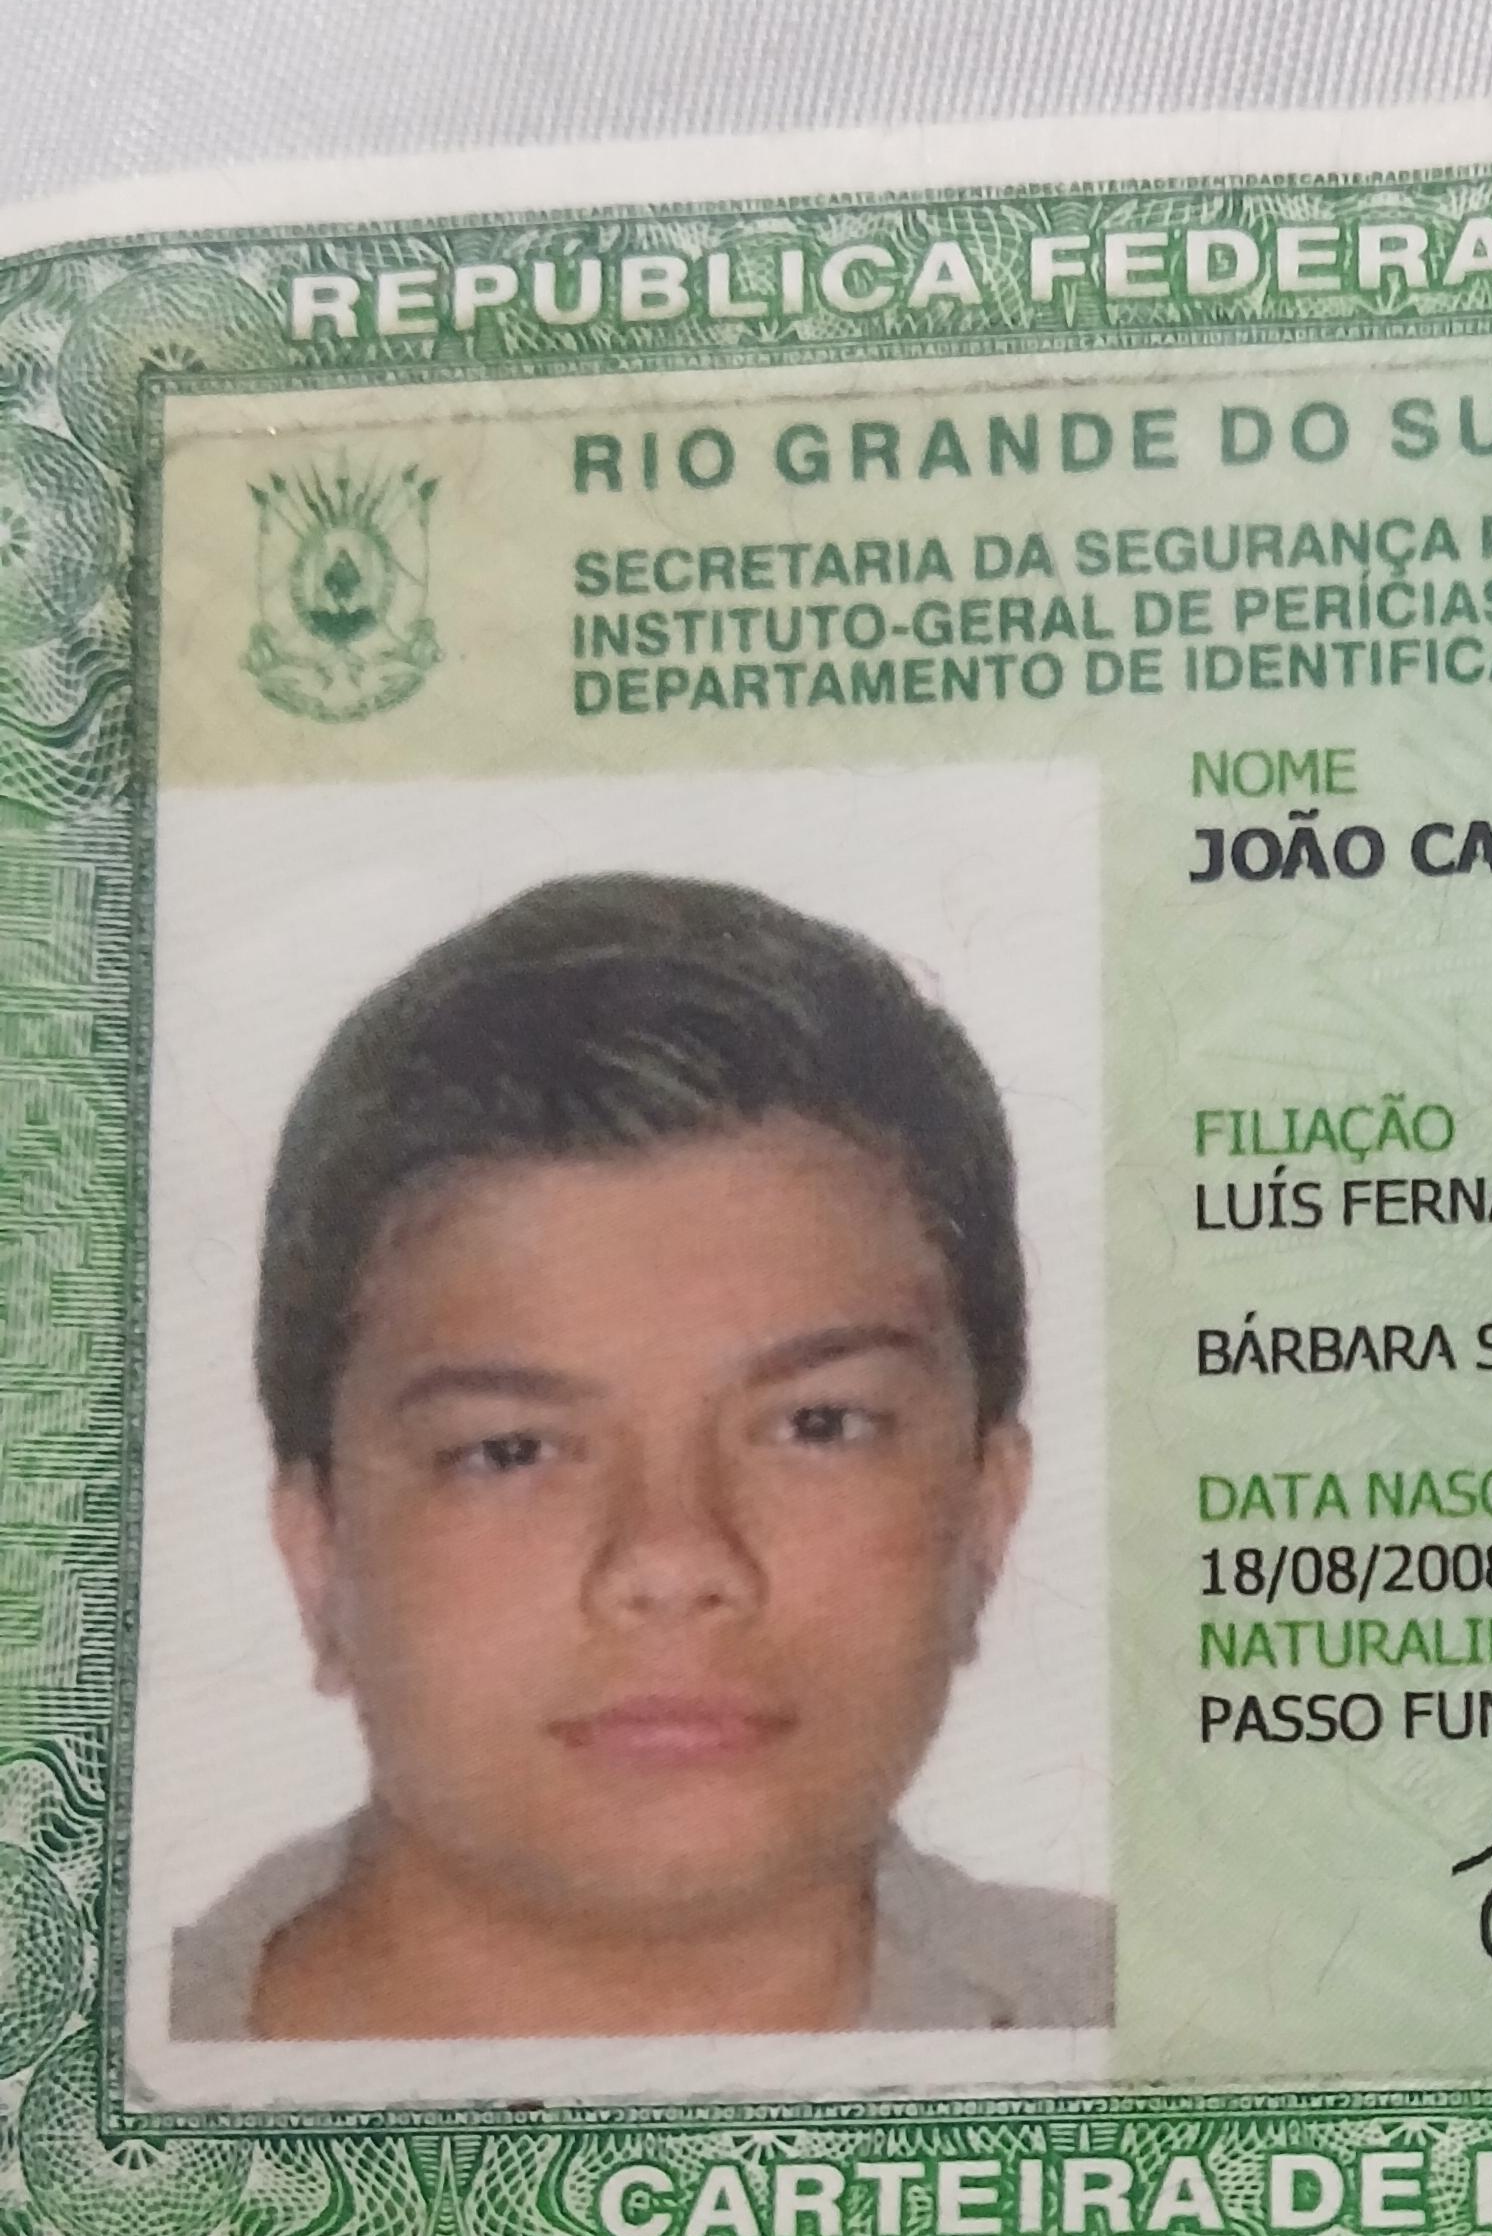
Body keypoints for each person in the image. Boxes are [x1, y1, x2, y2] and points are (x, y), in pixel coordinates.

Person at [170, 871, 1110, 2039]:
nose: (672, 1559)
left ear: (986, 1518)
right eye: (512, 1450)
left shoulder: (1196, 2028)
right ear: (319, 1559)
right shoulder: (75, 2071)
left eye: (817, 1426)